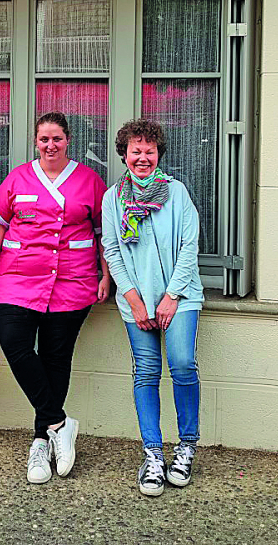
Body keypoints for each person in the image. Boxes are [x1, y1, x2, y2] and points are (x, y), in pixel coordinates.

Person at [0, 111, 110, 484]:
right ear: (35, 142)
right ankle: (59, 423)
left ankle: (41, 440)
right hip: (17, 279)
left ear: (68, 140)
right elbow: (0, 225)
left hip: (73, 282)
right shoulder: (18, 177)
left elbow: (103, 232)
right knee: (15, 345)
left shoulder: (89, 181)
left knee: (56, 360)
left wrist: (106, 276)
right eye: (43, 140)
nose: (50, 145)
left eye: (57, 138)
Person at [101, 119, 204, 497]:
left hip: (180, 297)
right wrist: (133, 299)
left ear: (159, 154)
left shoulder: (176, 193)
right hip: (136, 301)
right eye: (135, 151)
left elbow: (189, 246)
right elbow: (112, 251)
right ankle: (153, 454)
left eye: (149, 150)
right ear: (124, 155)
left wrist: (171, 295)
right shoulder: (113, 199)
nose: (142, 157)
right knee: (146, 372)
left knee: (181, 365)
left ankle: (187, 446)